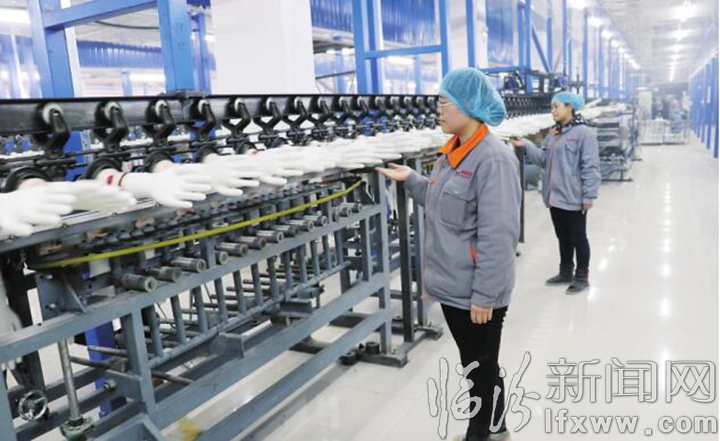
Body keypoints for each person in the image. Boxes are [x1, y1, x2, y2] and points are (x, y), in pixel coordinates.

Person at [377, 68, 521, 441]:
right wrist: (411, 179)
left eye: (444, 103)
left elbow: (499, 236)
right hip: (456, 285)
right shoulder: (452, 153)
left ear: (469, 105)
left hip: (476, 291)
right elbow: (442, 200)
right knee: (480, 362)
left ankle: (479, 435)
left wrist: (485, 295)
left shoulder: (493, 159)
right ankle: (497, 428)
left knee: (478, 367)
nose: (438, 110)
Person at [511, 91, 600, 293]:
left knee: (578, 237)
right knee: (563, 237)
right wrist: (526, 144)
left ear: (570, 107)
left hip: (574, 195)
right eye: (551, 107)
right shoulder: (554, 133)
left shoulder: (584, 133)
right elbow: (542, 160)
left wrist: (589, 195)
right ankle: (565, 271)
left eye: (556, 107)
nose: (552, 111)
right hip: (554, 196)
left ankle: (582, 276)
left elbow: (591, 166)